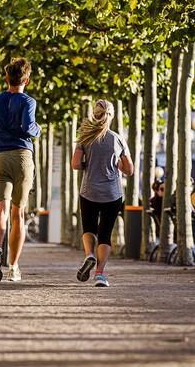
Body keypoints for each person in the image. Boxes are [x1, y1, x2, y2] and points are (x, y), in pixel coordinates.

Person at [0, 57, 41, 282]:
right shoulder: (28, 101)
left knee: (0, 210)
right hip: (23, 157)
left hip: (1, 157)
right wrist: (38, 129)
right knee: (18, 213)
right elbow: (28, 126)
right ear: (26, 80)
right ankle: (13, 267)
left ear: (7, 78)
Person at [72, 100, 134, 287]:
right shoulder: (117, 139)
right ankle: (100, 274)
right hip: (112, 194)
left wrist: (87, 164)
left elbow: (75, 164)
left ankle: (89, 255)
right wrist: (117, 164)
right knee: (105, 233)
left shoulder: (85, 137)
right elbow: (129, 170)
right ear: (112, 116)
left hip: (89, 191)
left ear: (94, 114)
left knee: (89, 228)